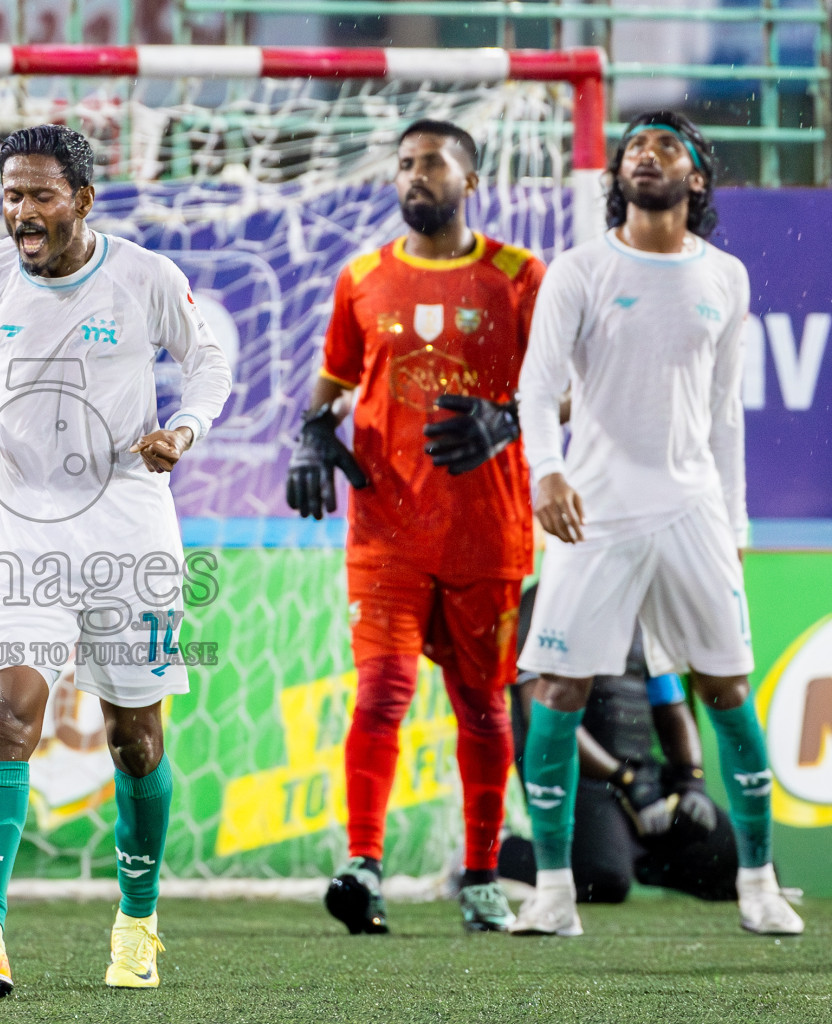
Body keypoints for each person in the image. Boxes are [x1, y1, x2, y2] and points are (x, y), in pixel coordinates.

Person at [0, 125, 231, 998]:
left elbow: (208, 363)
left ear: (83, 201)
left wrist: (183, 430)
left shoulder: (143, 277)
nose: (21, 212)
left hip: (128, 528)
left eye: (40, 195)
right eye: (12, 194)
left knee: (136, 741)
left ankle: (137, 925)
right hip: (18, 526)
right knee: (6, 716)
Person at [512, 111, 802, 936]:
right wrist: (548, 473)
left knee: (727, 688)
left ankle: (757, 884)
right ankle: (555, 894)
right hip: (592, 511)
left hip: (692, 509)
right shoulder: (578, 270)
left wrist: (735, 526)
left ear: (697, 179)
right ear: (620, 176)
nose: (646, 154)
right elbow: (537, 391)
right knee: (558, 689)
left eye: (667, 147)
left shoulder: (727, 278)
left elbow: (725, 418)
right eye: (635, 146)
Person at [287, 120, 544, 934]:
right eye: (403, 165)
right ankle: (363, 867)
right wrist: (309, 437)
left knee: (481, 704)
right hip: (387, 528)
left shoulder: (519, 275)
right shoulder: (361, 276)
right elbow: (326, 392)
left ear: (472, 179)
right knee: (384, 691)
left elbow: (564, 394)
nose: (414, 177)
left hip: (488, 529)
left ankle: (480, 875)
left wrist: (506, 421)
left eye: (431, 164)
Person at [501, 585, 738, 903]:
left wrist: (690, 781)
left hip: (641, 776)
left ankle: (634, 852)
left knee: (736, 865)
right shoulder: (546, 603)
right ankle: (493, 855)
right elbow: (546, 719)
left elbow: (673, 709)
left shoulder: (644, 607)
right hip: (576, 775)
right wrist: (625, 779)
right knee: (603, 880)